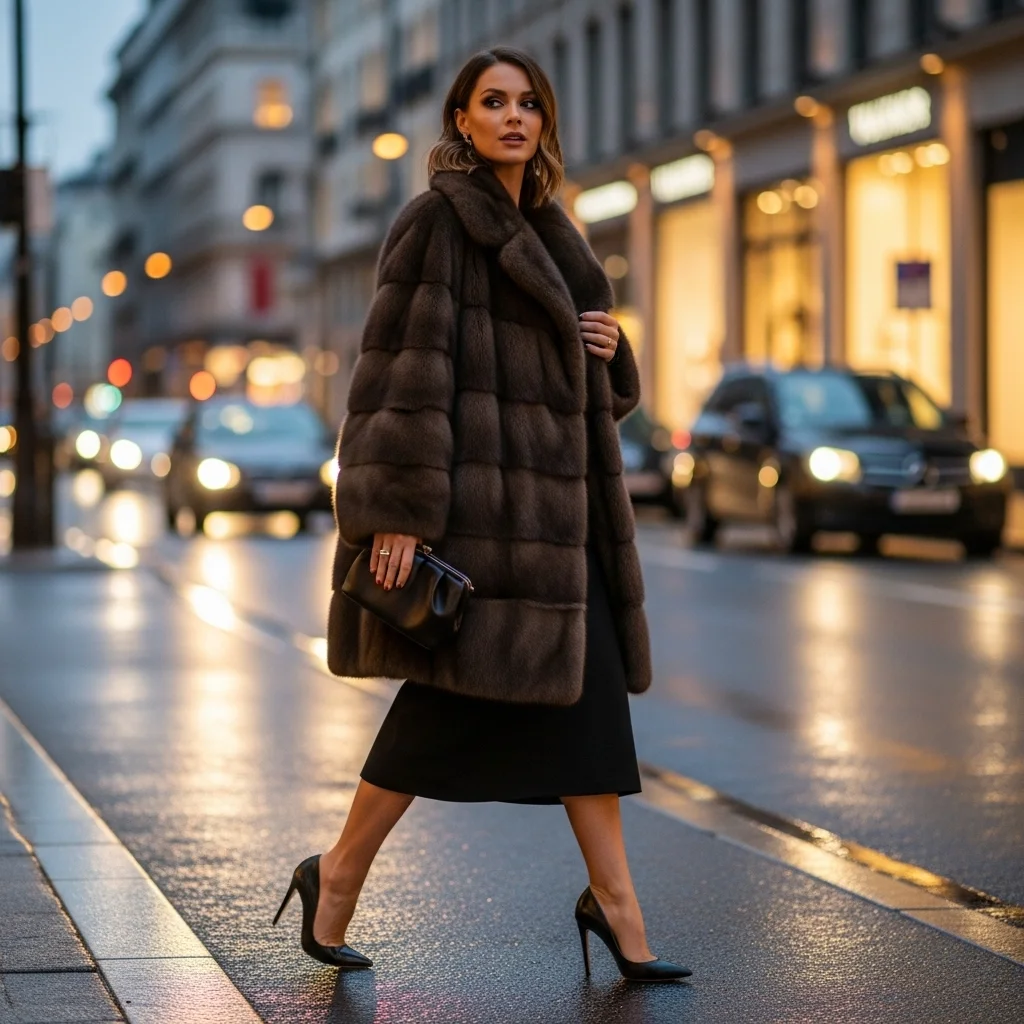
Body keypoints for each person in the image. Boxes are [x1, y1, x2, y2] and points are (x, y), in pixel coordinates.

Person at [274, 46, 690, 983]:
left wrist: (610, 353)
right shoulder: (437, 224)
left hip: (564, 526)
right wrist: (397, 512)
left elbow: (585, 397)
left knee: (587, 704)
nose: (513, 117)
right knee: (442, 712)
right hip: (479, 525)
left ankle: (617, 906)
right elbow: (398, 380)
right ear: (461, 120)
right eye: (493, 102)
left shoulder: (554, 229)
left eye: (528, 103)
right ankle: (337, 873)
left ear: (545, 121)